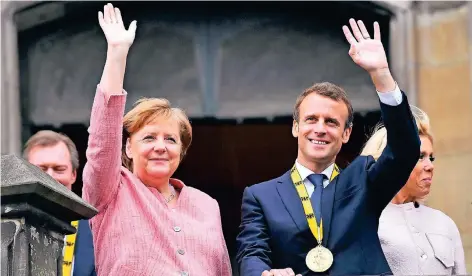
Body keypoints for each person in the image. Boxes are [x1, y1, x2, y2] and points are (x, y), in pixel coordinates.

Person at [236, 19, 421, 276]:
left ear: (346, 134)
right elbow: (252, 252)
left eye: (331, 122)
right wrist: (263, 274)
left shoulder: (364, 179)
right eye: (311, 119)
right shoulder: (260, 197)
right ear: (295, 127)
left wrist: (381, 76)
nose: (320, 129)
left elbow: (405, 150)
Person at [82, 3, 231, 276]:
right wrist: (117, 55)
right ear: (127, 145)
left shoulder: (206, 205)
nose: (160, 146)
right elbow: (102, 141)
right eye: (149, 137)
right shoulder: (111, 191)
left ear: (182, 151)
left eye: (171, 140)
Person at [361, 107, 467, 275]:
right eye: (420, 157)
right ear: (388, 160)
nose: (430, 166)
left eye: (431, 157)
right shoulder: (362, 221)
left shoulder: (445, 223)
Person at [23, 130, 96, 276]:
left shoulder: (97, 230)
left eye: (59, 169)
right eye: (40, 169)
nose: (50, 177)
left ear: (73, 175)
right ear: (24, 173)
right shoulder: (6, 225)